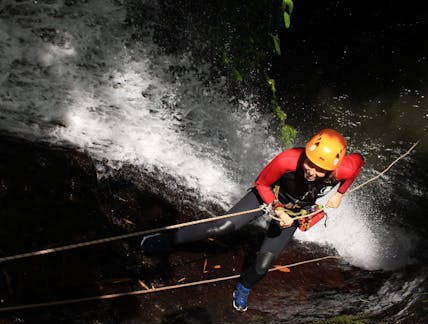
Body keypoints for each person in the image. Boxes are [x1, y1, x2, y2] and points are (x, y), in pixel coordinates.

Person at [140, 129, 364, 312]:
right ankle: (168, 239)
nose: (311, 172)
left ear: (333, 168)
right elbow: (261, 184)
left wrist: (340, 193)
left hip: (295, 211)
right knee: (222, 226)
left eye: (320, 170)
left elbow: (358, 161)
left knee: (264, 262)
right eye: (310, 163)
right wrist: (276, 208)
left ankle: (244, 286)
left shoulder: (342, 169)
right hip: (268, 196)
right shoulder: (287, 160)